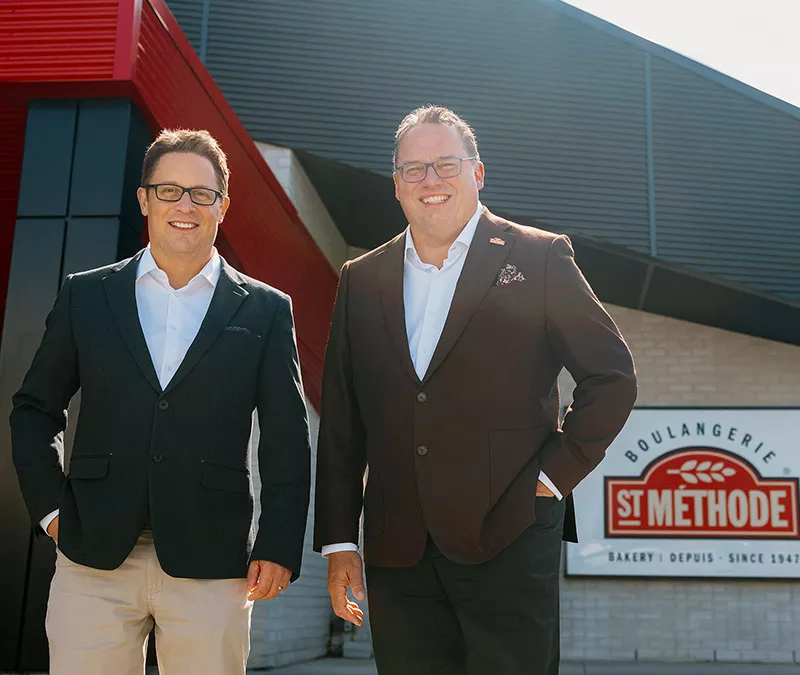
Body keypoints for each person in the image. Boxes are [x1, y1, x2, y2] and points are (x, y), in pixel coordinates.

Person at [314, 105, 637, 675]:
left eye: (446, 165)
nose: (431, 181)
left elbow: (611, 377)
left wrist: (551, 477)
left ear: (477, 173)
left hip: (508, 533)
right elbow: (343, 422)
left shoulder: (537, 257)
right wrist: (341, 542)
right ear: (396, 185)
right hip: (398, 547)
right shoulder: (361, 279)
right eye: (414, 169)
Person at [11, 129, 311, 675]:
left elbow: (288, 438)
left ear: (223, 206)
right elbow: (34, 408)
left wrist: (279, 542)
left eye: (202, 193)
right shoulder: (87, 294)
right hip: (93, 552)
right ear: (144, 199)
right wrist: (53, 512)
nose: (186, 206)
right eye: (169, 190)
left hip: (214, 559)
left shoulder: (267, 311)